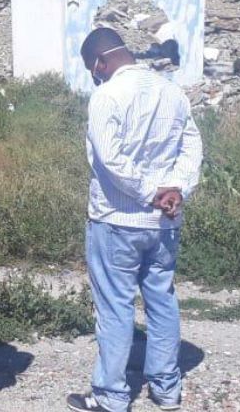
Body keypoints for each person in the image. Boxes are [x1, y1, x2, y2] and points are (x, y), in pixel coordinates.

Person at [66, 27, 203, 412]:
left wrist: (150, 192)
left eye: (91, 68)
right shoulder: (172, 92)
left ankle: (111, 395)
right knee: (162, 301)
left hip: (117, 220)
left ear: (100, 62)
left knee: (114, 307)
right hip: (164, 225)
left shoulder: (106, 96)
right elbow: (192, 148)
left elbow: (110, 160)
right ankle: (166, 389)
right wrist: (176, 189)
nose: (94, 74)